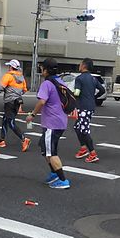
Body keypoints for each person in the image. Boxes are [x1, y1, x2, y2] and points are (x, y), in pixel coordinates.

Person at [26, 58, 70, 189]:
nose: (41, 70)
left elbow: (42, 102)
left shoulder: (47, 84)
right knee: (44, 148)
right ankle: (54, 173)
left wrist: (32, 114)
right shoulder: (60, 82)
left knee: (51, 152)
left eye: (42, 68)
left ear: (45, 70)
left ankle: (62, 180)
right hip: (60, 121)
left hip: (52, 123)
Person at [73, 58, 105, 163]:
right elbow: (102, 90)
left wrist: (72, 97)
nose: (79, 65)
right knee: (77, 127)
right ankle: (83, 148)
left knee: (84, 129)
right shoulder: (93, 79)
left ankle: (92, 153)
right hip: (90, 107)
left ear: (84, 66)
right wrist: (94, 97)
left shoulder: (79, 78)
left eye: (80, 64)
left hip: (83, 107)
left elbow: (77, 93)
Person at [0, 59, 31, 152]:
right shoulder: (22, 77)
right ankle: (1, 140)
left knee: (11, 123)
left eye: (9, 66)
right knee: (5, 119)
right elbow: (24, 90)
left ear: (11, 67)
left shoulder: (8, 76)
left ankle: (24, 139)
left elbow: (0, 88)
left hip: (9, 102)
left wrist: (0, 89)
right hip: (17, 102)